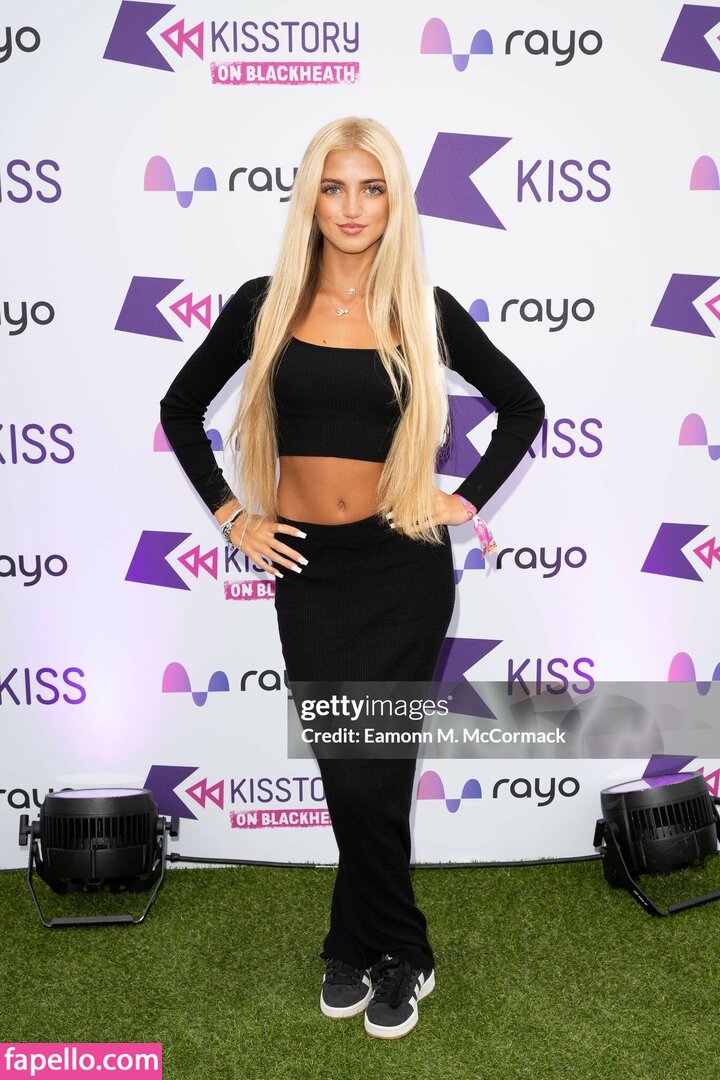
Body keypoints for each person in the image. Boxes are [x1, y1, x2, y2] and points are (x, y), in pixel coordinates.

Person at [159, 116, 545, 1040]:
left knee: (379, 771)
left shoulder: (421, 309)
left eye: (372, 188)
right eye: (334, 187)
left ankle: (386, 950)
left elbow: (523, 406)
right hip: (310, 567)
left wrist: (465, 498)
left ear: (394, 201)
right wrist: (234, 516)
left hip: (402, 567)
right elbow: (179, 407)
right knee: (347, 770)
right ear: (311, 198)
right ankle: (372, 939)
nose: (352, 207)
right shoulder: (264, 305)